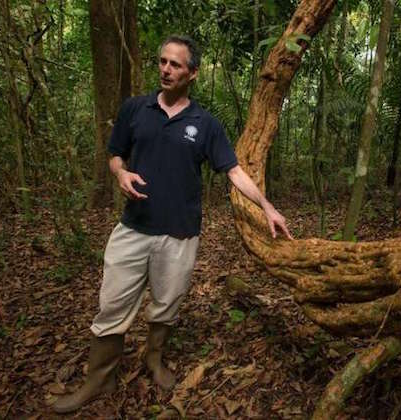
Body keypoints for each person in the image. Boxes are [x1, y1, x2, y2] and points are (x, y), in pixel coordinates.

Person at [53, 34, 292, 414]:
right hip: (133, 228)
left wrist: (266, 206)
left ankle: (153, 358)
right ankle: (100, 378)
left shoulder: (206, 124)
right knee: (111, 306)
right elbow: (115, 155)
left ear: (192, 73)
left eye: (175, 64)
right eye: (162, 61)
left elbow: (232, 170)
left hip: (179, 234)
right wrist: (120, 174)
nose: (165, 69)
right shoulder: (135, 109)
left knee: (166, 304)